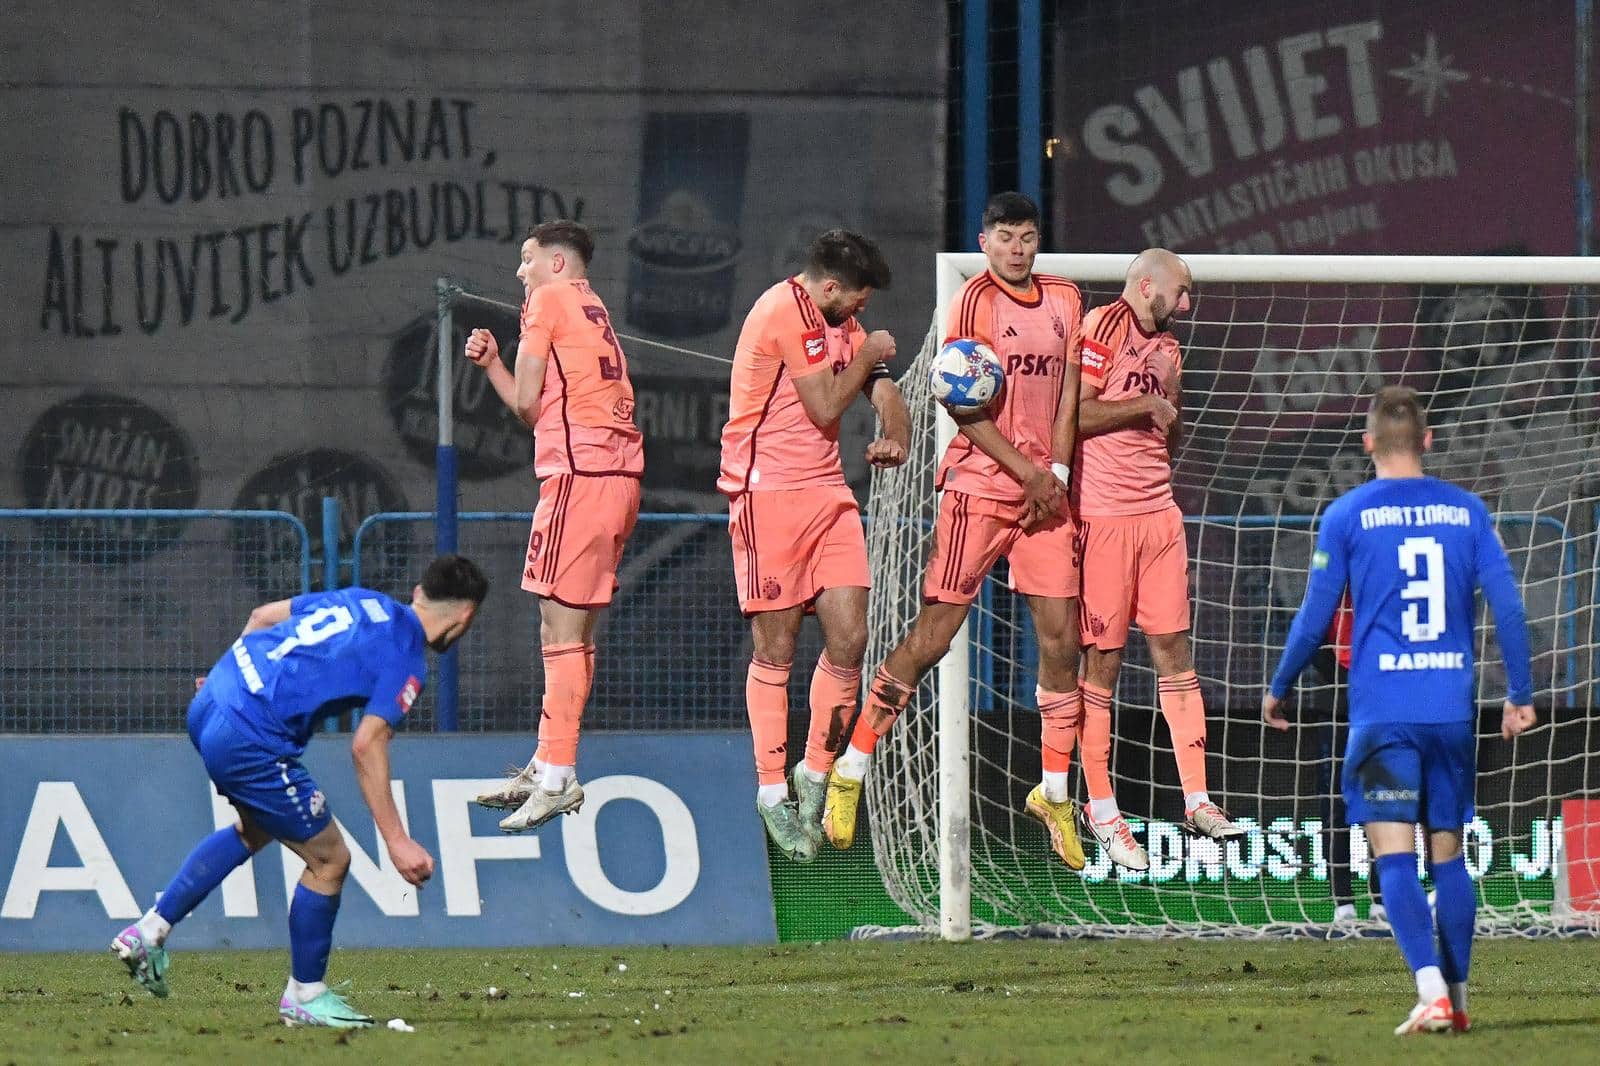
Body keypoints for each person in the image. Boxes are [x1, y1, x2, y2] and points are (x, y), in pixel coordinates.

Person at [822, 192, 1089, 868]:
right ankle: (852, 767)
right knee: (934, 635)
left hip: (1045, 491)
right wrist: (1026, 474)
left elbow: (1066, 396)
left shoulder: (1065, 298)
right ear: (985, 240)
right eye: (1004, 237)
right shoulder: (973, 301)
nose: (1017, 248)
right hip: (981, 485)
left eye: (1027, 236)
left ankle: (1054, 789)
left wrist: (1052, 471)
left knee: (1063, 640)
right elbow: (961, 403)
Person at [111, 555, 488, 1028]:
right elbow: (367, 744)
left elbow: (262, 617)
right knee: (330, 860)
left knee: (256, 829)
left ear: (417, 592)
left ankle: (149, 931)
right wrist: (396, 840)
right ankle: (305, 995)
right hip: (250, 736)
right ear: (466, 615)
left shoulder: (362, 599)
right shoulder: (407, 657)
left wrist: (232, 681)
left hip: (215, 695)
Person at [1264, 385, 1535, 1035]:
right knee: (1448, 855)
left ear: (1367, 447)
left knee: (1393, 858)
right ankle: (1460, 1000)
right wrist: (1519, 694)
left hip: (1384, 710)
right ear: (1428, 441)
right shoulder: (1467, 511)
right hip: (1448, 706)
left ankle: (1429, 989)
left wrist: (1279, 686)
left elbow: (1315, 617)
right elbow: (1511, 605)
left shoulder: (1347, 514)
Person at [717, 228, 908, 862]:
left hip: (827, 494)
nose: (863, 313)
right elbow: (827, 404)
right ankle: (772, 794)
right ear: (830, 287)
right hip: (765, 495)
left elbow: (883, 389)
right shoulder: (781, 311)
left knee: (850, 638)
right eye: (857, 300)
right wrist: (870, 352)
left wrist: (896, 433)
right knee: (776, 648)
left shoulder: (843, 323)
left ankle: (815, 770)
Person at [465, 220, 645, 832]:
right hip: (618, 480)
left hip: (580, 478)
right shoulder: (592, 307)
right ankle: (548, 762)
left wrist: (501, 366)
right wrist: (494, 364)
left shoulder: (546, 301)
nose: (521, 272)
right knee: (571, 627)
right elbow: (545, 407)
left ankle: (559, 774)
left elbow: (527, 403)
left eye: (528, 259)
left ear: (558, 265)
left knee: (560, 628)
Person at [1072, 248, 1242, 872]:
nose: (1188, 304)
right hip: (1105, 519)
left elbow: (1171, 424)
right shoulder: (1099, 328)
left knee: (1174, 651)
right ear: (1148, 285)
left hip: (1160, 517)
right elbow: (1076, 414)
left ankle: (1197, 797)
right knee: (1104, 663)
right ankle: (1103, 808)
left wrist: (1158, 423)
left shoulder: (1170, 349)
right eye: (1182, 291)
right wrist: (1143, 408)